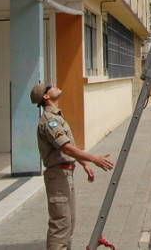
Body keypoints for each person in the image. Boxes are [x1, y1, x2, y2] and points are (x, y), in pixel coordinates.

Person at [30, 83, 115, 250]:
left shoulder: (57, 117)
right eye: (50, 87)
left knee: (68, 223)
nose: (54, 85)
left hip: (65, 175)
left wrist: (84, 163)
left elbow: (68, 146)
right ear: (46, 97)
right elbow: (65, 147)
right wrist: (94, 159)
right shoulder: (50, 120)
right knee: (61, 225)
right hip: (58, 177)